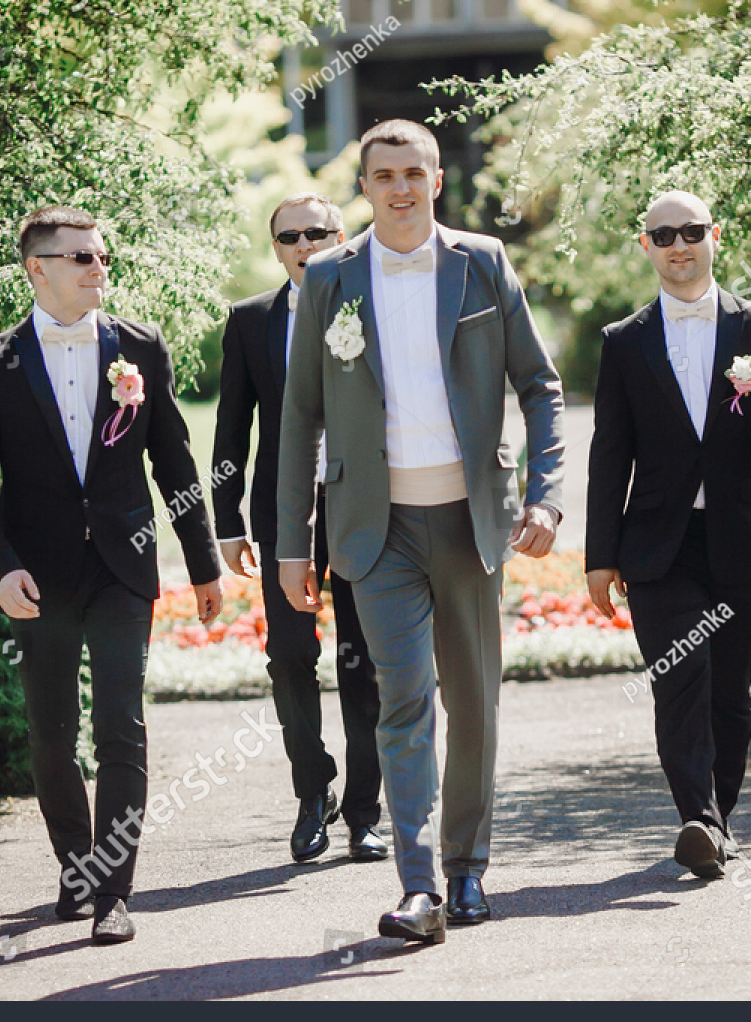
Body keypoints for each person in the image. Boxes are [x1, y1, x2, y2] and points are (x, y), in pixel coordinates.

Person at [275, 119, 565, 944]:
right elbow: (300, 414)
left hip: (472, 522)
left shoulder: (482, 263)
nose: (399, 186)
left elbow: (541, 387)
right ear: (363, 186)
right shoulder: (329, 277)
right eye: (383, 174)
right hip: (376, 529)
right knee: (403, 705)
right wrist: (294, 541)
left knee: (472, 704)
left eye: (414, 172)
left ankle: (468, 865)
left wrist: (543, 495)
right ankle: (418, 888)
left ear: (437, 180)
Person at [0, 206, 223, 944]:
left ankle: (115, 891)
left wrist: (204, 564)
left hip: (121, 566)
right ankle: (74, 864)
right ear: (38, 268)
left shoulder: (139, 345)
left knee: (121, 728)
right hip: (36, 577)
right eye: (82, 258)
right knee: (50, 733)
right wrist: (0, 567)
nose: (99, 267)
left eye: (103, 256)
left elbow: (174, 462)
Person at [585, 190, 751, 879]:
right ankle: (700, 821)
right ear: (645, 245)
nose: (678, 244)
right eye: (664, 234)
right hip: (657, 546)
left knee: (730, 689)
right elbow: (610, 453)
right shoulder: (622, 342)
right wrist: (601, 557)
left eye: (691, 231)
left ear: (716, 235)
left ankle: (716, 818)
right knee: (680, 678)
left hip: (740, 534)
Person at [211, 193, 386, 865]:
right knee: (288, 656)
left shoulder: (371, 306)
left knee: (364, 662)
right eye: (291, 236)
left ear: (342, 238)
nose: (305, 244)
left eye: (318, 233)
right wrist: (226, 520)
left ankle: (365, 814)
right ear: (276, 245)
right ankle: (314, 790)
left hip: (365, 506)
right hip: (283, 514)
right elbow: (231, 425)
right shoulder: (251, 320)